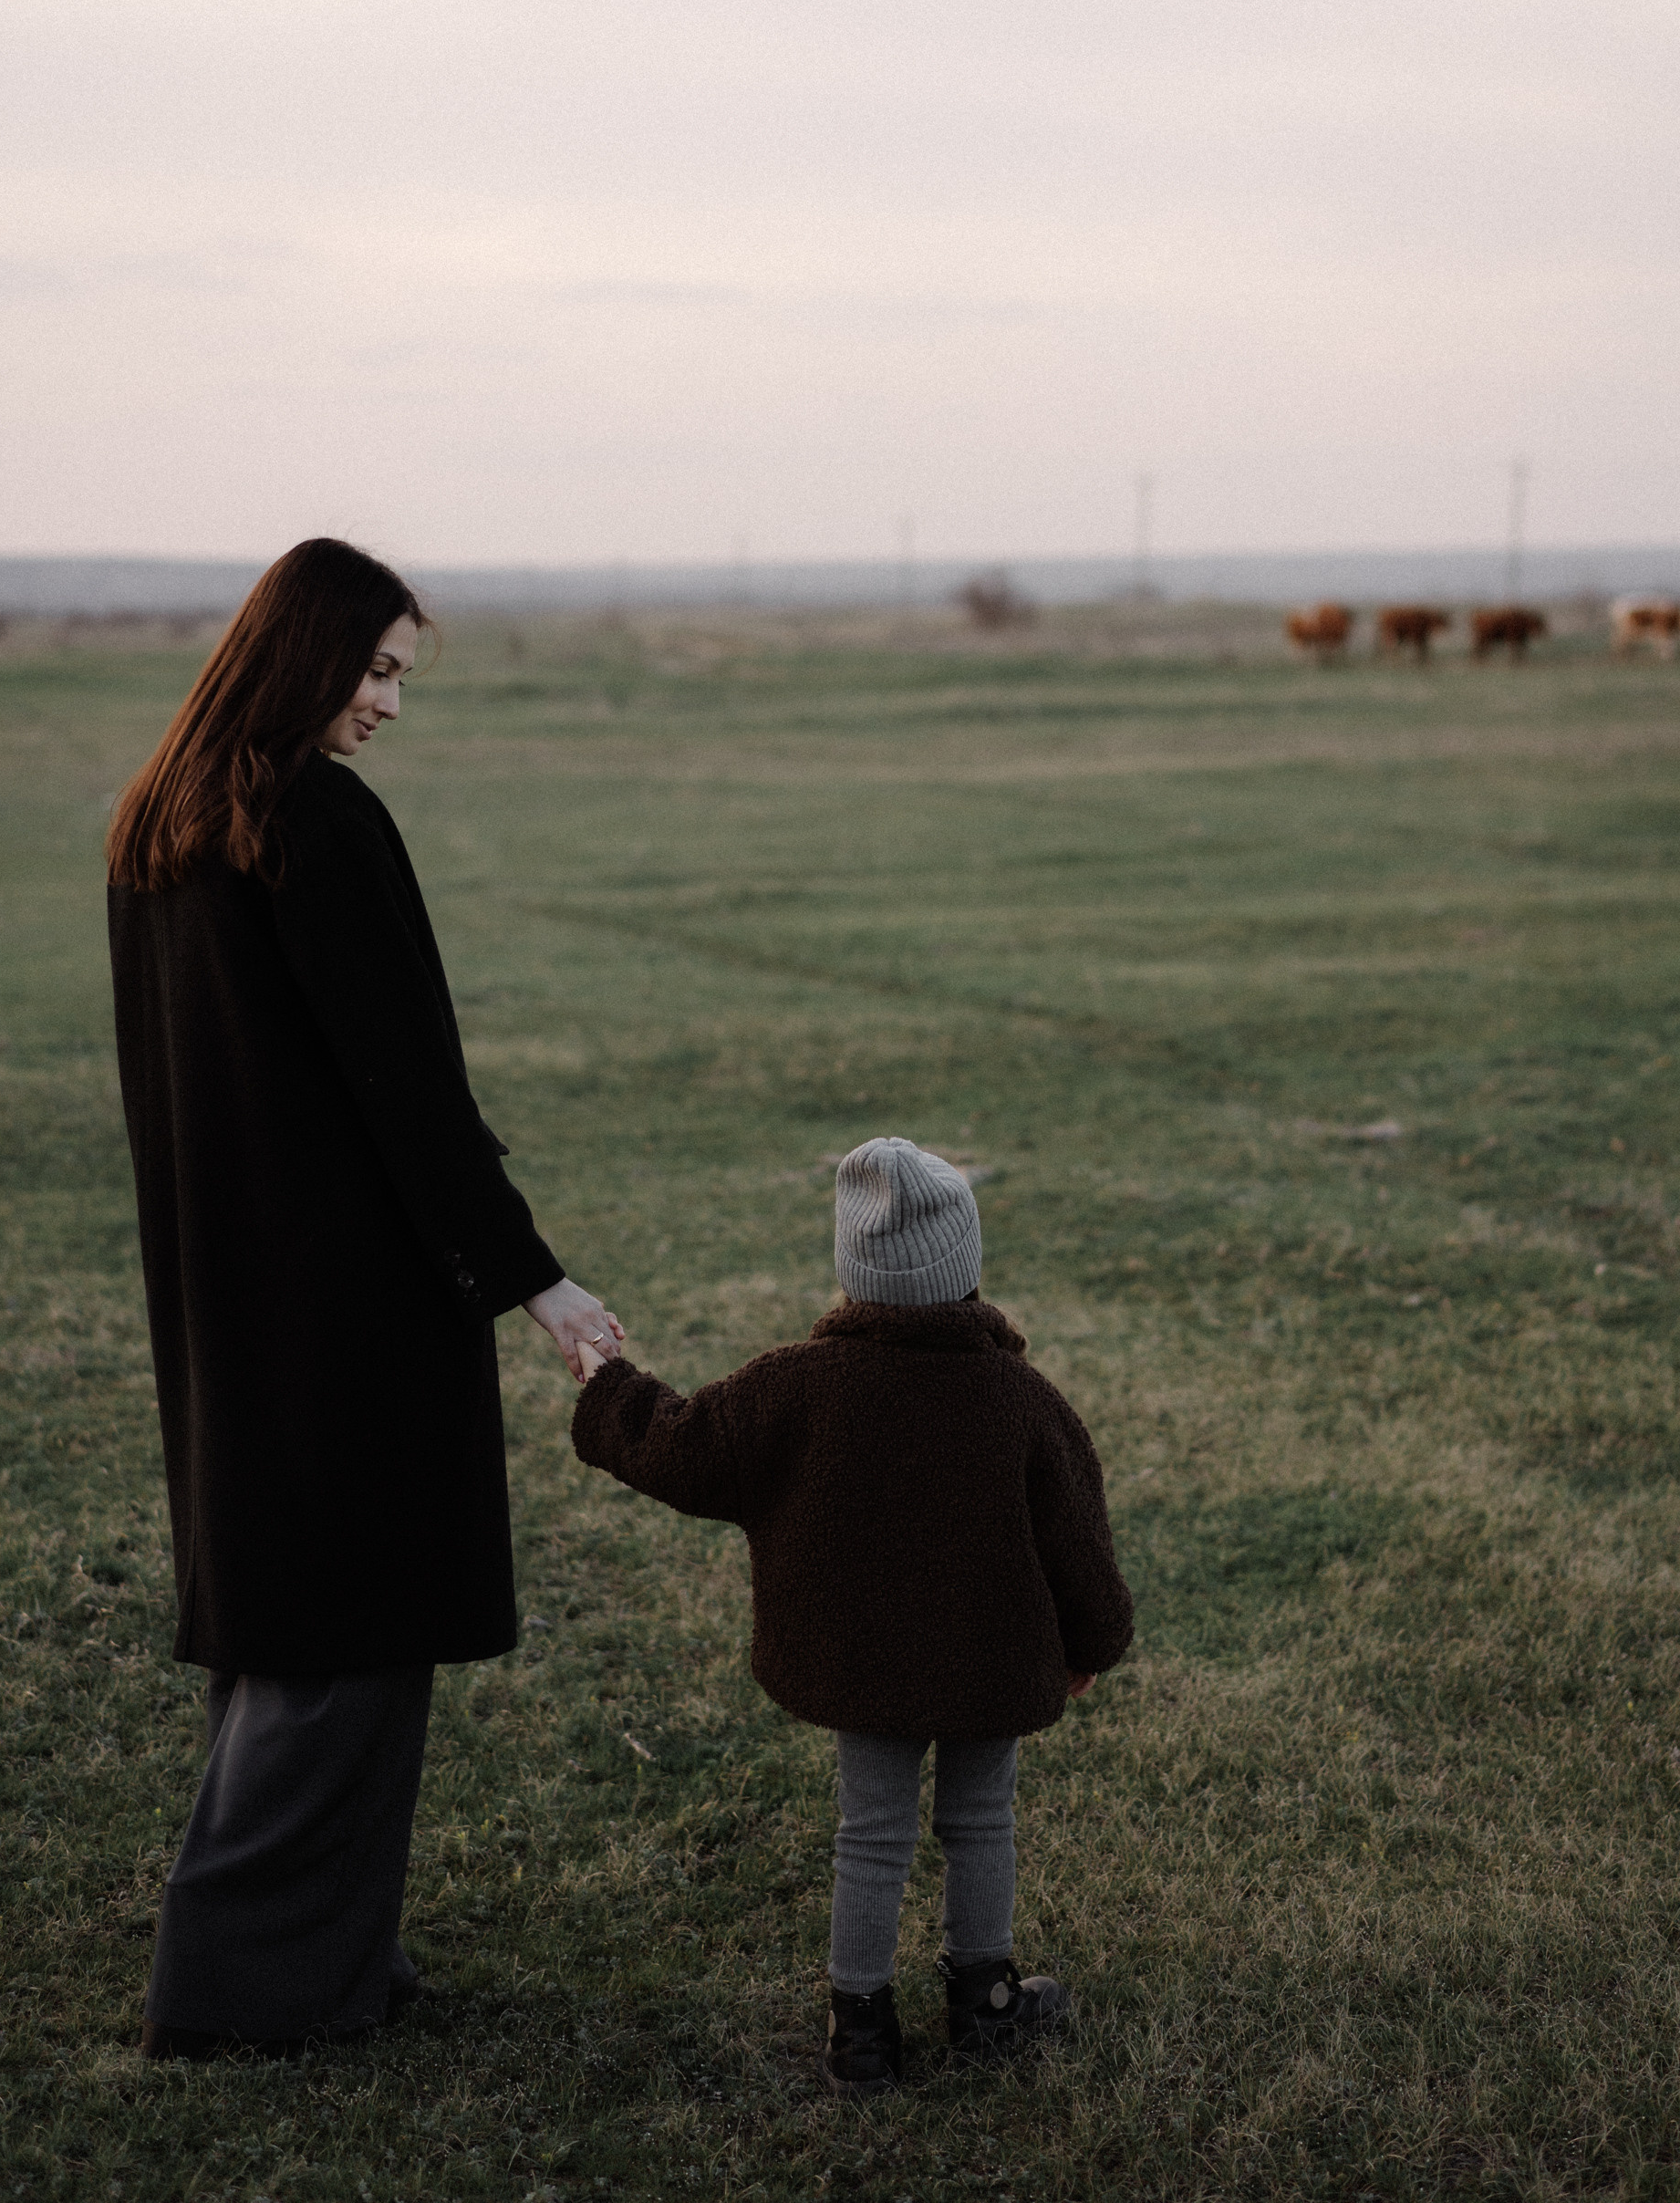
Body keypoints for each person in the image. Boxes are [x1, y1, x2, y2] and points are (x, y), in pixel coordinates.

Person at [106, 535, 622, 2058]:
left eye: (400, 674)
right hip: (346, 1305)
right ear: (302, 653)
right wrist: (537, 1281)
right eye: (376, 668)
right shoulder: (310, 821)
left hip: (231, 1292)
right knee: (339, 1650)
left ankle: (331, 1967)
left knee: (305, 1636)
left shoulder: (163, 823)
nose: (389, 702)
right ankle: (239, 1997)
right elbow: (408, 1089)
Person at [569, 1135, 1133, 2096]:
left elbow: (684, 1448)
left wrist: (611, 1388)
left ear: (852, 1267)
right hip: (987, 1663)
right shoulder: (1020, 1400)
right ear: (965, 1264)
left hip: (855, 1664)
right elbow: (1076, 1542)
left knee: (870, 1832)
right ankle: (984, 2005)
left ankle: (860, 2031)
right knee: (978, 1818)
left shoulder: (791, 1386)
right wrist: (1090, 1646)